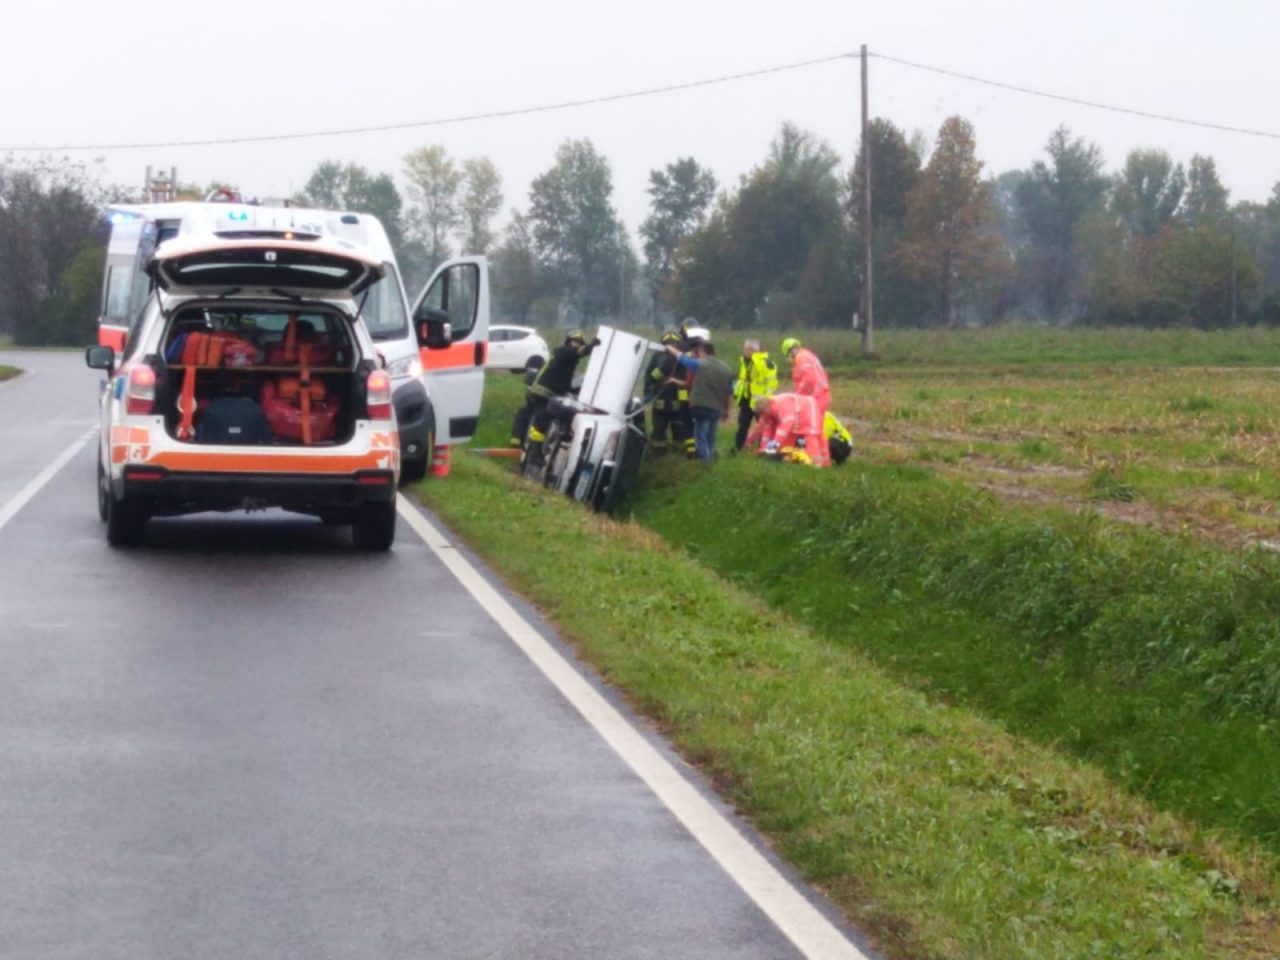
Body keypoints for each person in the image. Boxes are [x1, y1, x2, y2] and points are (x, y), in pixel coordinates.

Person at [510, 329, 597, 458]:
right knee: (542, 422)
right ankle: (535, 453)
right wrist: (591, 346)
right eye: (575, 342)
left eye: (580, 343)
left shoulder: (566, 360)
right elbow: (578, 353)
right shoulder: (563, 351)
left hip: (545, 392)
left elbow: (564, 380)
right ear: (568, 342)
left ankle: (533, 449)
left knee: (540, 421)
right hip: (543, 392)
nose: (577, 345)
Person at [666, 336, 733, 463]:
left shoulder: (700, 364)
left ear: (703, 351)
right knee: (711, 436)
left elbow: (682, 358)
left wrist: (669, 347)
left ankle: (705, 464)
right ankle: (711, 460)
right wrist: (726, 410)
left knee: (700, 436)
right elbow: (728, 393)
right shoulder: (727, 369)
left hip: (701, 406)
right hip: (717, 408)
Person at [643, 330, 695, 457]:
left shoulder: (659, 355)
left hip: (665, 398)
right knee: (672, 428)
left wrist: (649, 387)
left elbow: (649, 377)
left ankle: (661, 453)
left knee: (664, 428)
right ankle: (668, 452)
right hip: (675, 398)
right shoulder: (683, 356)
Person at [750, 392, 829, 467]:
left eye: (762, 412)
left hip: (809, 408)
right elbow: (767, 433)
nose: (762, 415)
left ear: (766, 407)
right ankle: (790, 461)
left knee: (811, 436)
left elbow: (784, 430)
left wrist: (772, 446)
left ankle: (818, 464)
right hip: (796, 413)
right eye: (759, 413)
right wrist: (764, 449)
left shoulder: (781, 406)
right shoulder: (767, 413)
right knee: (787, 444)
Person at [732, 339, 778, 451]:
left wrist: (766, 400)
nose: (747, 351)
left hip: (760, 402)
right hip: (746, 400)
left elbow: (771, 384)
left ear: (757, 350)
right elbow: (742, 381)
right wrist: (737, 393)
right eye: (746, 348)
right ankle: (738, 448)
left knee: (762, 427)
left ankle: (762, 449)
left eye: (750, 349)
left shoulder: (767, 363)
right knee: (742, 425)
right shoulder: (744, 362)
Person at [781, 337, 831, 422]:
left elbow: (808, 380)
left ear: (790, 353)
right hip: (822, 395)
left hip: (815, 398)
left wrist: (798, 397)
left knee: (810, 428)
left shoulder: (801, 358)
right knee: (817, 428)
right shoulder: (809, 355)